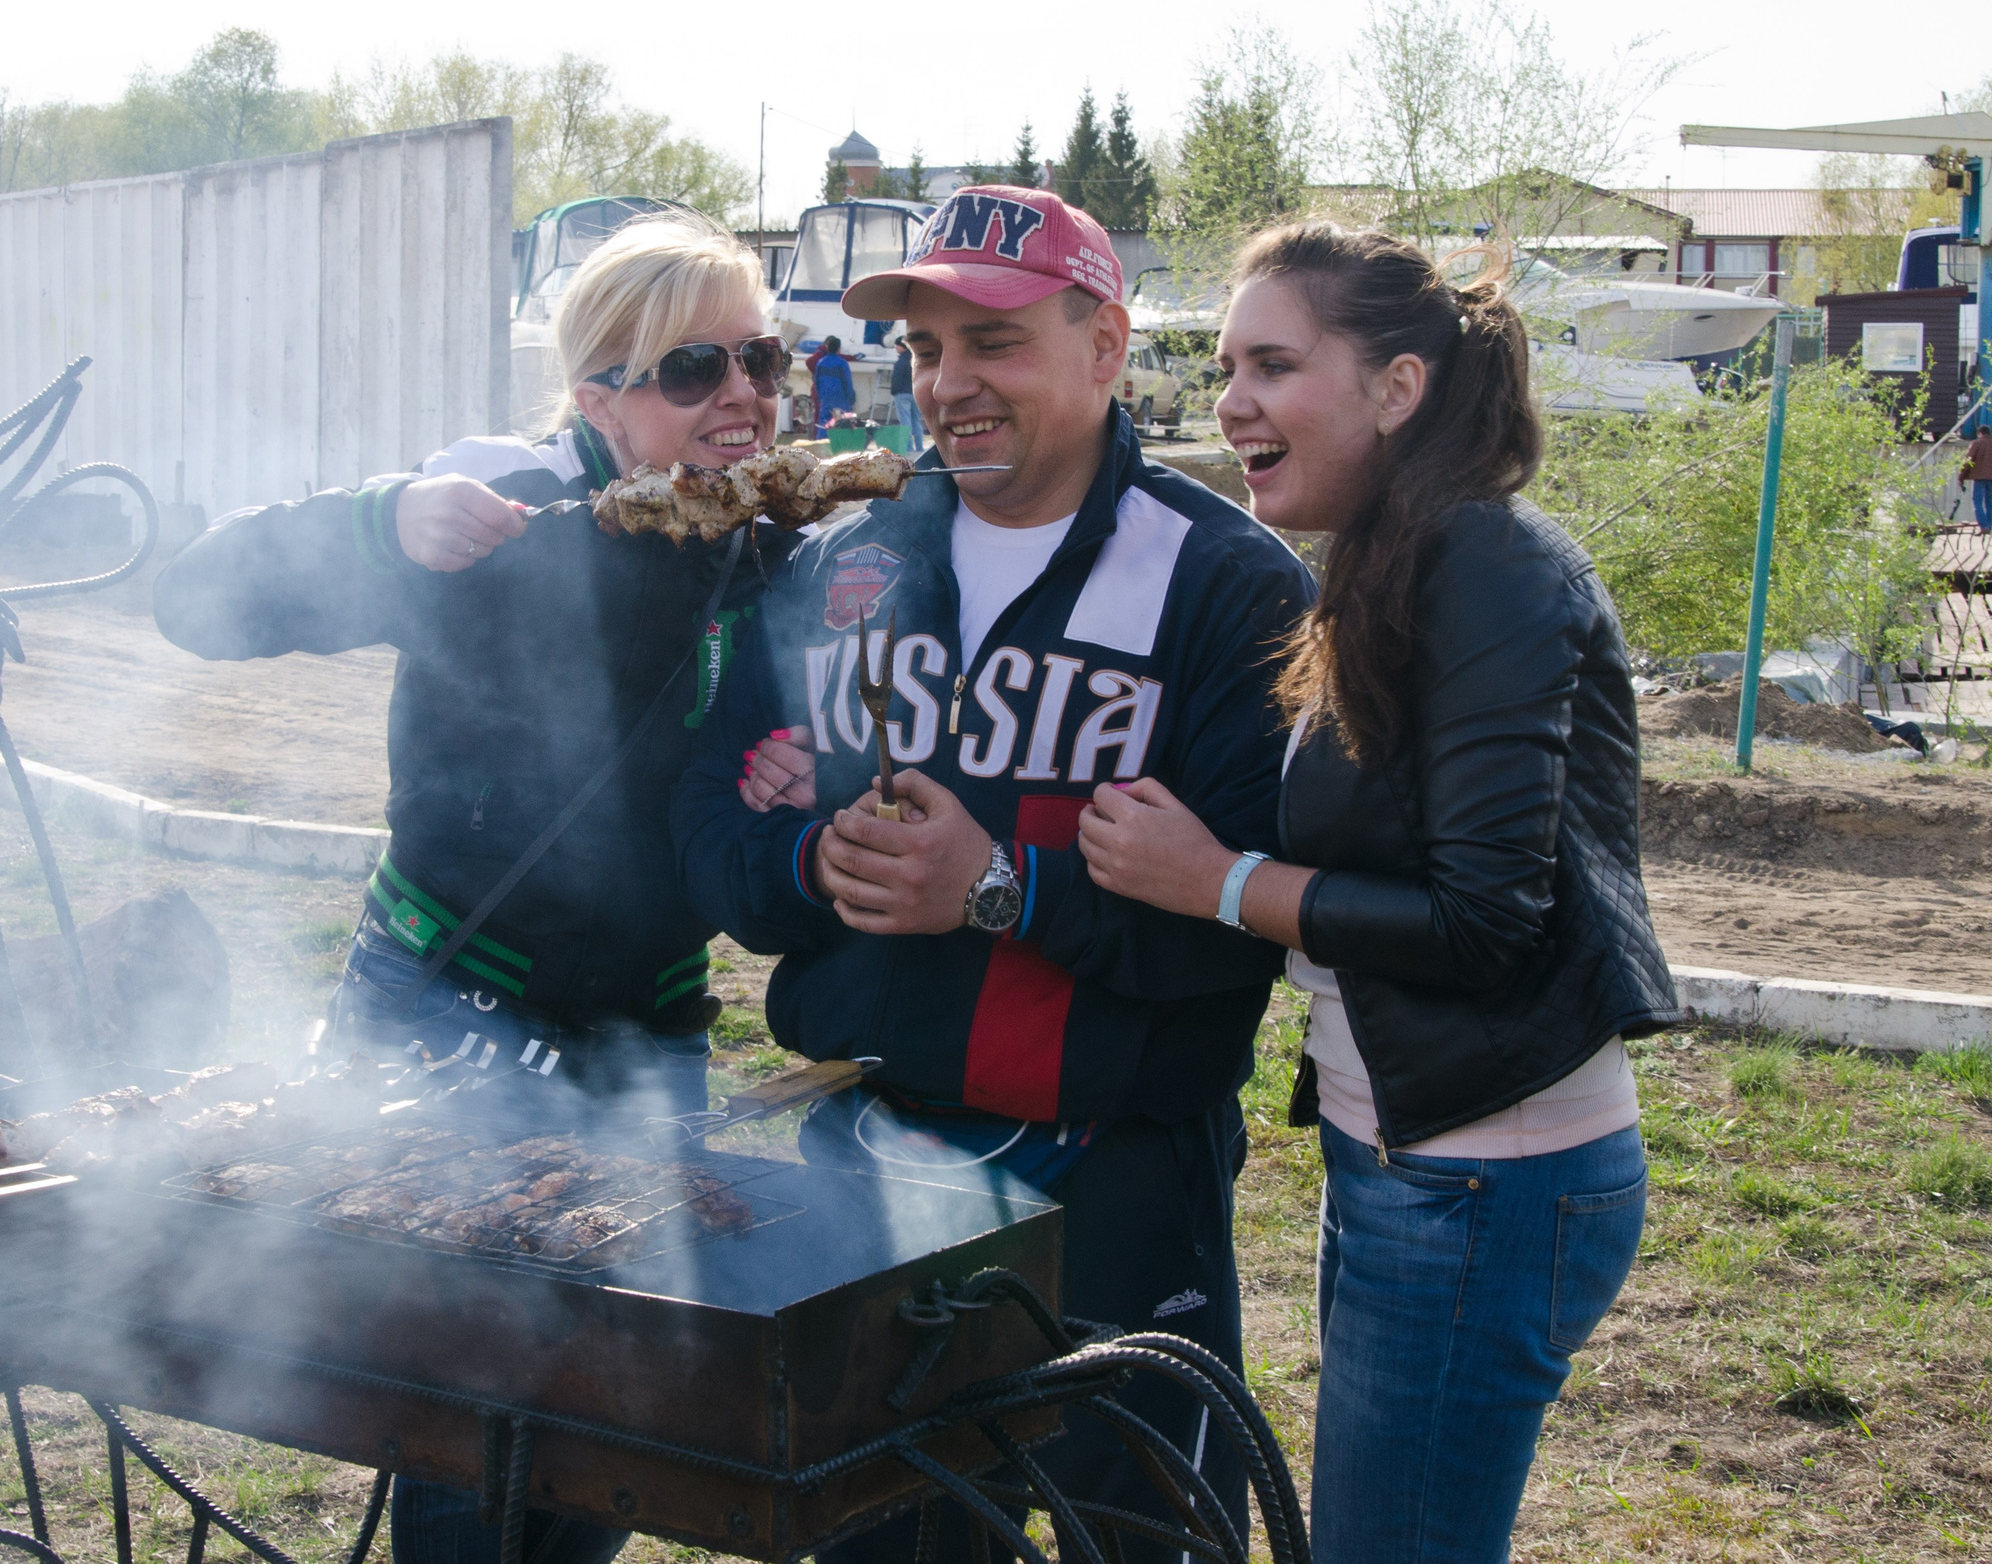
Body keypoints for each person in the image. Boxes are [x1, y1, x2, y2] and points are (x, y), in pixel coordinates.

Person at [674, 186, 1315, 1563]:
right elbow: (716, 847)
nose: (948, 386)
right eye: (924, 351)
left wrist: (998, 888)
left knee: (1131, 1543)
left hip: (1119, 1191)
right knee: (872, 1542)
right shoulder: (834, 560)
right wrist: (813, 856)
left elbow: (1234, 941)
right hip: (869, 1166)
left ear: (1105, 347)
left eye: (995, 343)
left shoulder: (1229, 587)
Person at [155, 211, 796, 1564]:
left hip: (651, 1021)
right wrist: (380, 522)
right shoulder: (492, 516)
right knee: (466, 1406)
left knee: (613, 1399)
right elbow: (195, 602)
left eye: (764, 358)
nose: (741, 395)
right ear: (598, 396)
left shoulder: (771, 541)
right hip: (451, 997)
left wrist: (786, 771)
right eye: (696, 370)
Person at [1071, 222, 1678, 1564]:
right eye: (1224, 365)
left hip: (1483, 1181)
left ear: (1398, 389)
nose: (1231, 402)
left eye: (1274, 365)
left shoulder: (1487, 572)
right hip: (1414, 1158)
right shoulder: (1388, 558)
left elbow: (1482, 921)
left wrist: (1217, 884)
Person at [809, 332, 857, 425]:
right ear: (838, 349)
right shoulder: (842, 363)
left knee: (824, 423)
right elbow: (848, 382)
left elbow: (817, 383)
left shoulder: (820, 362)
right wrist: (850, 399)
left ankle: (822, 439)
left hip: (825, 399)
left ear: (827, 347)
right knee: (842, 424)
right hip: (840, 399)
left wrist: (821, 397)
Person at [885, 334, 917, 454]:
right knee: (916, 421)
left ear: (902, 346)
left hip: (902, 394)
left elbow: (897, 380)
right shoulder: (914, 359)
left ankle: (909, 447)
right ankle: (919, 446)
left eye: (896, 346)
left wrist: (894, 391)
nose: (895, 348)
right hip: (914, 393)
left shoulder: (901, 361)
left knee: (905, 422)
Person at [1966, 423, 1992, 531]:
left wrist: (1961, 477)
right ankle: (1990, 525)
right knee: (1990, 502)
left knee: (1977, 502)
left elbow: (1968, 461)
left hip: (1980, 478)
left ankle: (1984, 526)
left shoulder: (1976, 443)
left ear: (1980, 433)